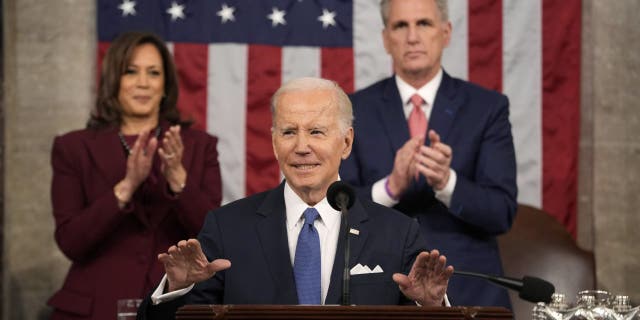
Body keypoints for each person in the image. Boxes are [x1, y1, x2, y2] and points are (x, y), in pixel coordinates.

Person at [137, 77, 454, 319]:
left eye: (316, 132)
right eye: (289, 132)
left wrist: (430, 307)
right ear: (274, 143)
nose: (302, 146)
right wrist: (177, 289)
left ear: (345, 142)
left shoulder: (397, 234)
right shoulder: (227, 228)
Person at [339, 0, 517, 309]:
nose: (412, 37)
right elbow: (335, 212)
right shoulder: (353, 110)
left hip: (467, 290)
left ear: (446, 33)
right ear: (385, 39)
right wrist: (390, 187)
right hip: (377, 287)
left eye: (423, 24)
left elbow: (501, 212)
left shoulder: (487, 108)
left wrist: (447, 182)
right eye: (400, 26)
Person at [47, 31, 222, 320]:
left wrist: (179, 179)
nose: (143, 82)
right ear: (114, 80)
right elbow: (71, 243)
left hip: (175, 306)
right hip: (93, 307)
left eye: (153, 73)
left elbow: (212, 240)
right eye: (131, 72)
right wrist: (126, 187)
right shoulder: (72, 147)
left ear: (165, 84)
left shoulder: (200, 146)